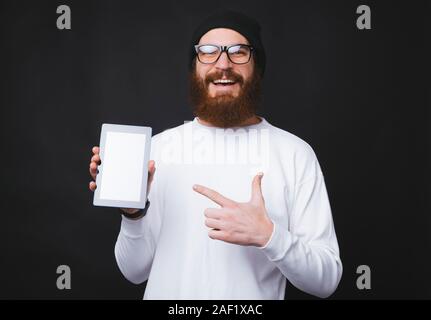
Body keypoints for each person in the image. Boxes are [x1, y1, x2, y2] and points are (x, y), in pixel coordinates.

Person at [88, 10, 342, 299]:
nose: (223, 64)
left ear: (256, 67)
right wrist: (133, 214)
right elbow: (133, 272)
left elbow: (326, 281)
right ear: (195, 68)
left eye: (238, 52)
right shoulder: (156, 151)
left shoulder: (295, 154)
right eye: (207, 52)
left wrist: (270, 236)